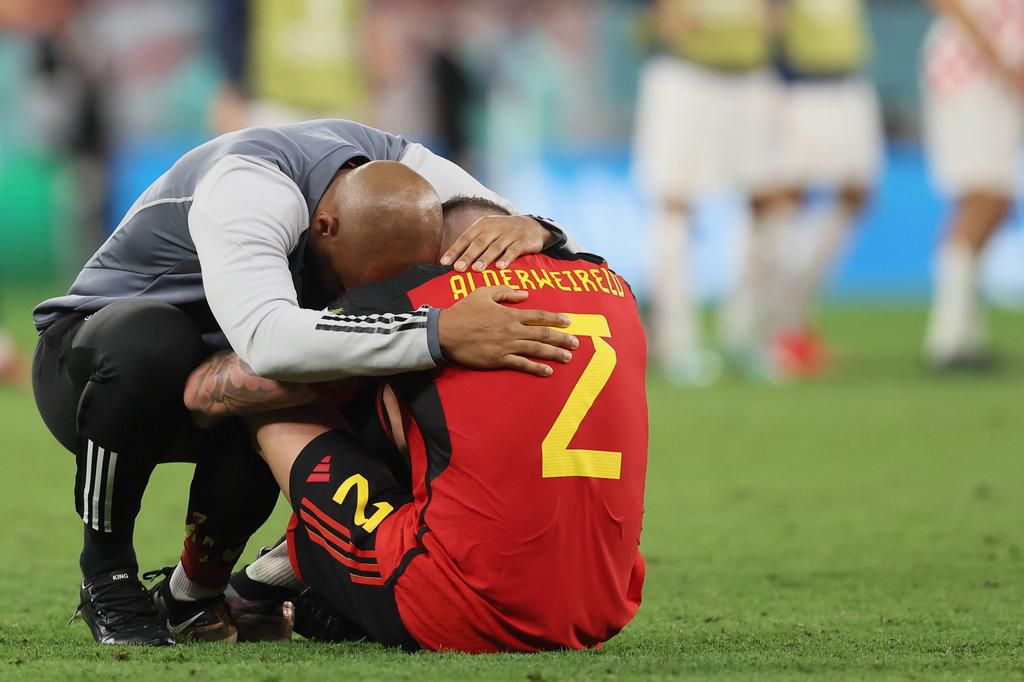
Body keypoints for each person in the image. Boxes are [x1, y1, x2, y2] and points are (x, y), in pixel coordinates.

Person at [31, 119, 580, 646]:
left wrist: (539, 228)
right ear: (325, 228)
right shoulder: (248, 188)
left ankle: (221, 593)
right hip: (94, 373)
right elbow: (270, 340)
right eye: (354, 284)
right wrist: (436, 328)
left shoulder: (410, 173)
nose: (356, 300)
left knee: (404, 376)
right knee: (157, 340)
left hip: (234, 374)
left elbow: (542, 246)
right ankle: (106, 575)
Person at [184, 197, 649, 652]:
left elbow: (211, 389)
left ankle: (191, 594)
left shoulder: (417, 295)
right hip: (603, 607)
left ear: (436, 254)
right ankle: (266, 587)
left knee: (278, 396)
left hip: (456, 606)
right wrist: (546, 228)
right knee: (428, 421)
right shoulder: (615, 286)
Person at [633, 0, 776, 385]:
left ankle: (748, 336)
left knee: (766, 203)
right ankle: (677, 341)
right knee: (675, 205)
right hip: (683, 73)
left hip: (751, 74)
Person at [752, 0, 882, 377]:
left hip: (849, 82)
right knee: (787, 199)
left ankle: (792, 317)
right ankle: (773, 331)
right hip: (799, 87)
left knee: (856, 194)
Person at [921, 0, 1024, 370]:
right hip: (969, 73)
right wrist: (999, 59)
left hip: (999, 74)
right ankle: (948, 339)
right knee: (983, 198)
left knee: (995, 205)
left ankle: (965, 332)